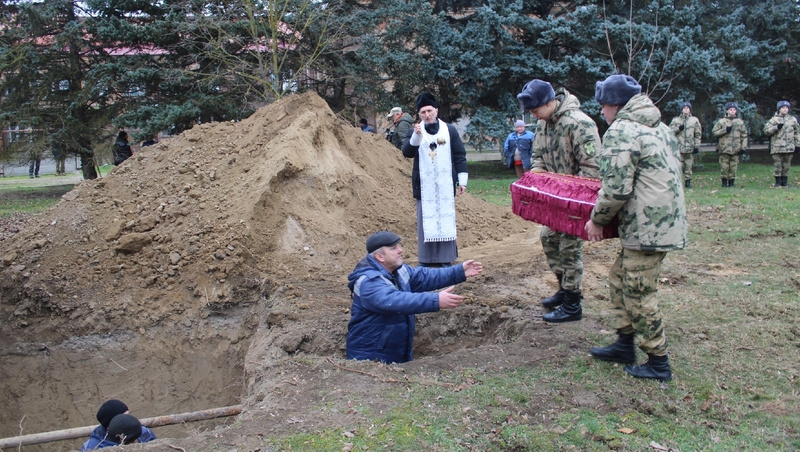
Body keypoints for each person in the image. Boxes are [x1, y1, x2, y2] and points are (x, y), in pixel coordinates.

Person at [584, 74, 687, 382]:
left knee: (638, 292)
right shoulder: (660, 127)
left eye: (603, 106)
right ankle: (624, 344)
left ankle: (658, 362)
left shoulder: (622, 130)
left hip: (647, 227)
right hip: (663, 222)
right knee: (619, 279)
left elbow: (616, 188)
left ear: (616, 105)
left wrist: (597, 220)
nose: (601, 112)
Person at [516, 79, 601, 323]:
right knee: (548, 238)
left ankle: (573, 304)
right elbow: (538, 156)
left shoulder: (579, 123)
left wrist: (574, 197)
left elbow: (592, 169)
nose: (533, 115)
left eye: (535, 110)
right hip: (555, 200)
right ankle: (565, 288)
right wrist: (539, 179)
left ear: (549, 102)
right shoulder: (543, 124)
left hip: (576, 201)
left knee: (569, 246)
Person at [346, 230, 483, 363]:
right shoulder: (369, 281)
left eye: (398, 246)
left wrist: (459, 271)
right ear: (380, 257)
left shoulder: (399, 270)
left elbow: (425, 277)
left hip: (394, 350)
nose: (400, 250)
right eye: (393, 248)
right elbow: (395, 301)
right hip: (369, 358)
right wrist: (435, 300)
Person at [402, 92, 468, 267]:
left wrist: (462, 180)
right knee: (426, 222)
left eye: (429, 111)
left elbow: (459, 155)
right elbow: (407, 152)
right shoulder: (415, 131)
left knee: (446, 220)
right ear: (419, 114)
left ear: (436, 110)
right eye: (423, 112)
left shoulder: (449, 130)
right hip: (424, 187)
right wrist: (416, 136)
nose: (427, 115)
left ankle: (446, 259)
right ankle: (426, 260)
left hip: (445, 185)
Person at [81, 399, 156, 451]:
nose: (130, 419)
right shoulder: (93, 447)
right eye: (124, 417)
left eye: (128, 415)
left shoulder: (143, 432)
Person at [763, 100, 800, 187]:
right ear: (779, 109)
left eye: (786, 108)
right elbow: (766, 131)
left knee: (786, 165)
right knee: (778, 165)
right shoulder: (773, 120)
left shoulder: (793, 120)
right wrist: (776, 127)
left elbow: (797, 132)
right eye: (783, 108)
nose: (785, 109)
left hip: (789, 147)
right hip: (777, 147)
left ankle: (785, 182)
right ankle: (778, 182)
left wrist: (798, 144)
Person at [711, 102, 748, 187]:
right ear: (727, 111)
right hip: (724, 148)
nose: (732, 111)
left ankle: (732, 182)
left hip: (736, 148)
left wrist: (743, 147)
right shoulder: (722, 121)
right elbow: (714, 132)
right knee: (724, 166)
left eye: (734, 110)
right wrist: (725, 130)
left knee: (733, 166)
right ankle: (724, 182)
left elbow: (744, 135)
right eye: (730, 110)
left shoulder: (740, 122)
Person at [669, 102, 702, 189]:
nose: (686, 109)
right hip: (679, 148)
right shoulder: (676, 120)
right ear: (681, 109)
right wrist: (678, 129)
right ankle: (678, 182)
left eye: (688, 108)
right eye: (684, 108)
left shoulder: (694, 120)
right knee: (678, 166)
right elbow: (669, 132)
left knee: (688, 166)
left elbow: (698, 134)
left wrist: (696, 146)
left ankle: (688, 182)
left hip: (690, 148)